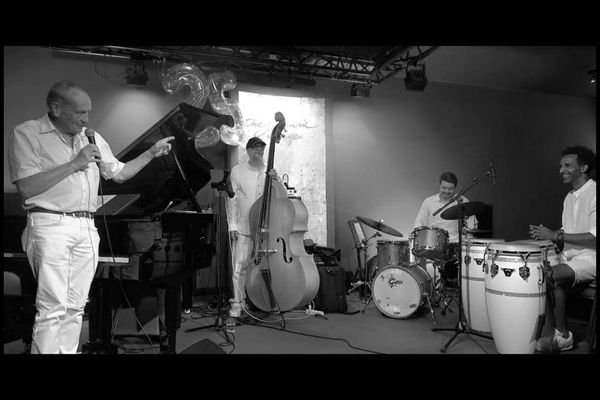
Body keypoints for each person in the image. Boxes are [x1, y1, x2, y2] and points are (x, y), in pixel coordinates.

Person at [7, 80, 175, 354]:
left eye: (88, 112)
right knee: (53, 307)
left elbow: (119, 173)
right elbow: (26, 187)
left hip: (86, 225)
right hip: (50, 223)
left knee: (76, 307)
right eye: (80, 112)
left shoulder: (90, 136)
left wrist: (150, 154)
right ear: (56, 108)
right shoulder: (28, 133)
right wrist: (75, 163)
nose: (86, 119)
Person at [530, 145, 596, 353]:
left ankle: (561, 335)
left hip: (591, 258)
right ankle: (554, 333)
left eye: (567, 165)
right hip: (570, 258)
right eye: (561, 166)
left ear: (583, 167)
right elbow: (568, 230)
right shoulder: (569, 197)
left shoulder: (595, 192)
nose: (561, 170)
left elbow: (594, 238)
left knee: (548, 275)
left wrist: (555, 235)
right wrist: (549, 233)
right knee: (538, 272)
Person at [225, 136, 280, 319]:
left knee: (267, 266)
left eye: (262, 150)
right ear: (248, 151)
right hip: (243, 226)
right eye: (256, 149)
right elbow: (231, 200)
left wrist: (277, 181)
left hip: (266, 228)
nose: (260, 152)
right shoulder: (237, 171)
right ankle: (237, 303)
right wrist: (232, 225)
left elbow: (282, 197)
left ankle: (265, 300)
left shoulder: (270, 172)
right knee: (239, 266)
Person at [413, 172, 478, 283]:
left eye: (450, 189)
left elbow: (473, 226)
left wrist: (468, 236)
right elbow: (418, 222)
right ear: (440, 186)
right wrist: (419, 239)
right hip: (434, 246)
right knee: (430, 273)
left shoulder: (462, 201)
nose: (447, 191)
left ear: (455, 188)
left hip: (456, 245)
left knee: (464, 274)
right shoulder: (429, 202)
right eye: (444, 188)